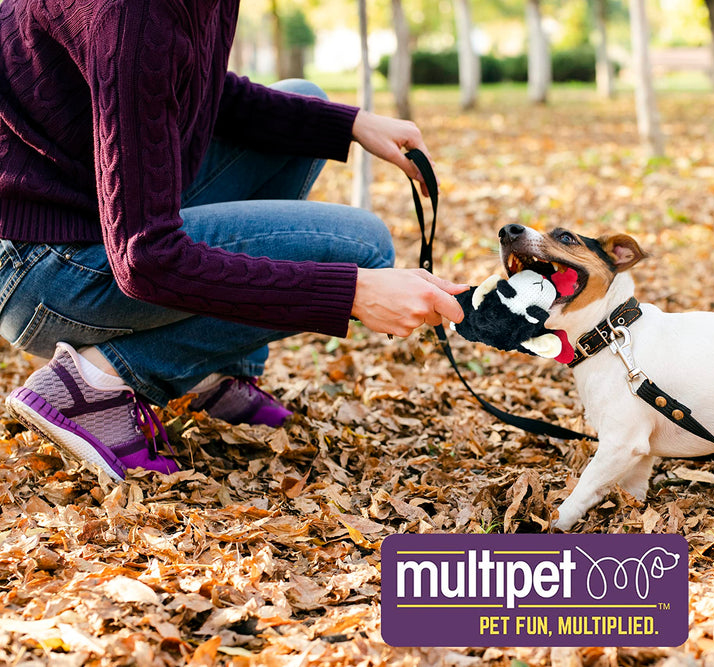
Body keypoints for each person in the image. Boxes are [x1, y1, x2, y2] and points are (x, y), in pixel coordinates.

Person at [0, 0, 466, 482]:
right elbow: (147, 259)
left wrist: (351, 124)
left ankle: (214, 373)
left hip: (92, 215)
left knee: (305, 103)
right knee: (362, 248)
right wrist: (353, 291)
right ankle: (92, 385)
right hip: (44, 268)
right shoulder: (132, 14)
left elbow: (191, 85)